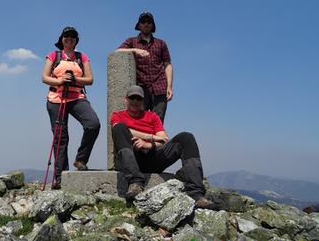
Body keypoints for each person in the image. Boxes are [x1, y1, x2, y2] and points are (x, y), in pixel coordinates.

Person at [110, 85, 215, 208]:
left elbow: (164, 140)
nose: (135, 101)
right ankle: (135, 184)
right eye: (132, 98)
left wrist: (148, 144)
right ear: (126, 99)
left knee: (186, 137)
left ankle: (196, 194)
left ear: (142, 101)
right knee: (120, 128)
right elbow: (121, 130)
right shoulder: (117, 115)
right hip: (133, 158)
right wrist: (152, 137)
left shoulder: (152, 116)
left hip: (153, 156)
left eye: (138, 98)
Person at [42, 26, 100, 189]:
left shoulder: (82, 57)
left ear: (76, 40)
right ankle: (60, 177)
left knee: (93, 124)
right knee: (60, 137)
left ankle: (81, 159)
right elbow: (45, 77)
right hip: (56, 98)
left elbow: (90, 79)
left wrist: (75, 78)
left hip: (76, 97)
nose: (69, 39)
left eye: (73, 37)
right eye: (66, 36)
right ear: (61, 39)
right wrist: (60, 81)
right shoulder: (53, 55)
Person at [117, 12, 173, 123]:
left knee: (157, 121)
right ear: (139, 25)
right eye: (143, 22)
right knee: (139, 121)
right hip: (141, 89)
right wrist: (134, 50)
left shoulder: (161, 43)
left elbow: (167, 64)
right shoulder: (132, 41)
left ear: (152, 25)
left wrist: (169, 87)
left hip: (160, 87)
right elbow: (117, 51)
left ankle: (155, 140)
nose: (146, 24)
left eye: (149, 22)